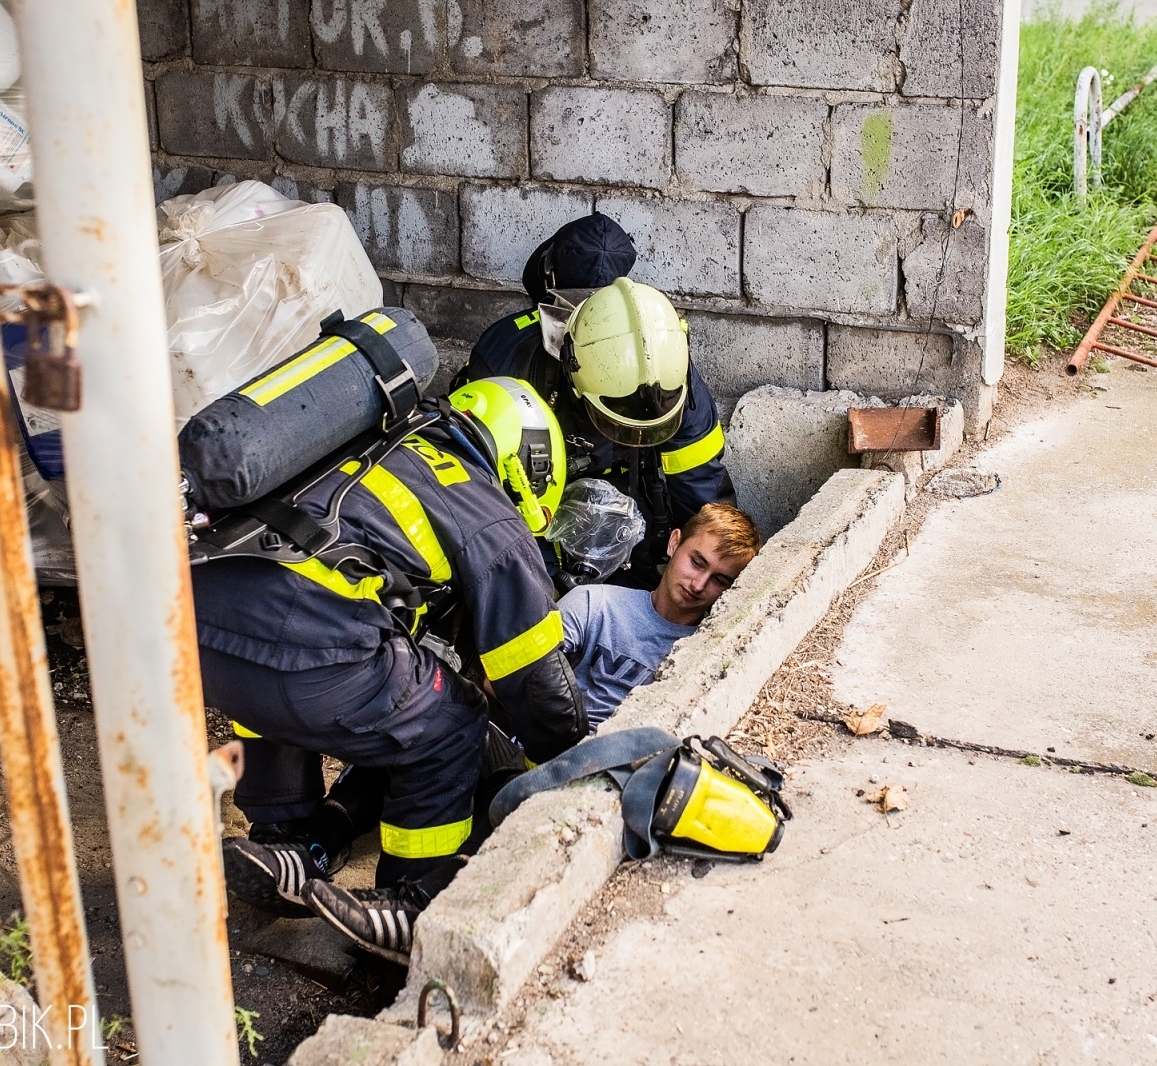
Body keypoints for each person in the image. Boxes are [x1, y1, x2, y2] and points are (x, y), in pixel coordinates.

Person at [194, 376, 587, 964]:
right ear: (528, 469)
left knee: (287, 680)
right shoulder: (487, 509)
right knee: (451, 723)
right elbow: (536, 680)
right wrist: (566, 768)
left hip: (198, 631)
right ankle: (409, 902)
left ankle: (289, 841)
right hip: (307, 645)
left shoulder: (378, 444)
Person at [451, 214, 735, 589]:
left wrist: (717, 566)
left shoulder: (661, 358)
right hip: (531, 523)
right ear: (573, 362)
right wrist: (549, 583)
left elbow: (700, 485)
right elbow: (480, 504)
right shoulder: (509, 359)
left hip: (632, 521)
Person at [560, 502, 761, 729]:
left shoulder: (713, 653)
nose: (698, 585)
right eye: (696, 562)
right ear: (674, 543)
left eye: (719, 580)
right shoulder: (593, 605)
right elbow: (527, 681)